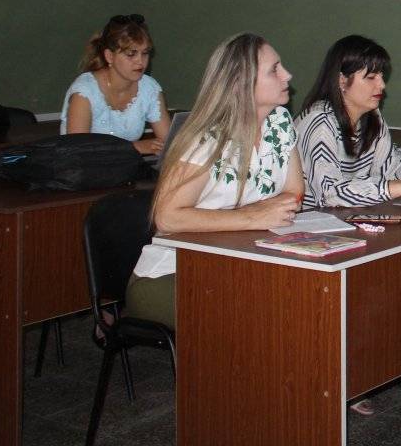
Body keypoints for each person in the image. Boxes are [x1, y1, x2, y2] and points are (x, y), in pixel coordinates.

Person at [125, 34, 303, 329]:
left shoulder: (280, 122)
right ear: (241, 81)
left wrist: (256, 216)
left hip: (241, 260)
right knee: (265, 311)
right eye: (275, 69)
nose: (288, 75)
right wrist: (251, 217)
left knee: (296, 299)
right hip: (174, 272)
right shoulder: (206, 137)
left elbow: (293, 194)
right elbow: (167, 217)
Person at [296, 34, 401, 208]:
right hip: (313, 219)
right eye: (371, 77)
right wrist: (400, 187)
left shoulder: (372, 115)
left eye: (381, 76)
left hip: (350, 215)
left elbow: (390, 170)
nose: (382, 85)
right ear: (342, 80)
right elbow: (329, 194)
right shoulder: (320, 123)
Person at [61, 13, 171, 156]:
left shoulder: (149, 88)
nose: (140, 61)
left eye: (145, 53)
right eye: (131, 54)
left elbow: (169, 142)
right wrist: (134, 147)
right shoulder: (85, 92)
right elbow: (78, 151)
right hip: (82, 167)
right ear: (109, 56)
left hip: (124, 167)